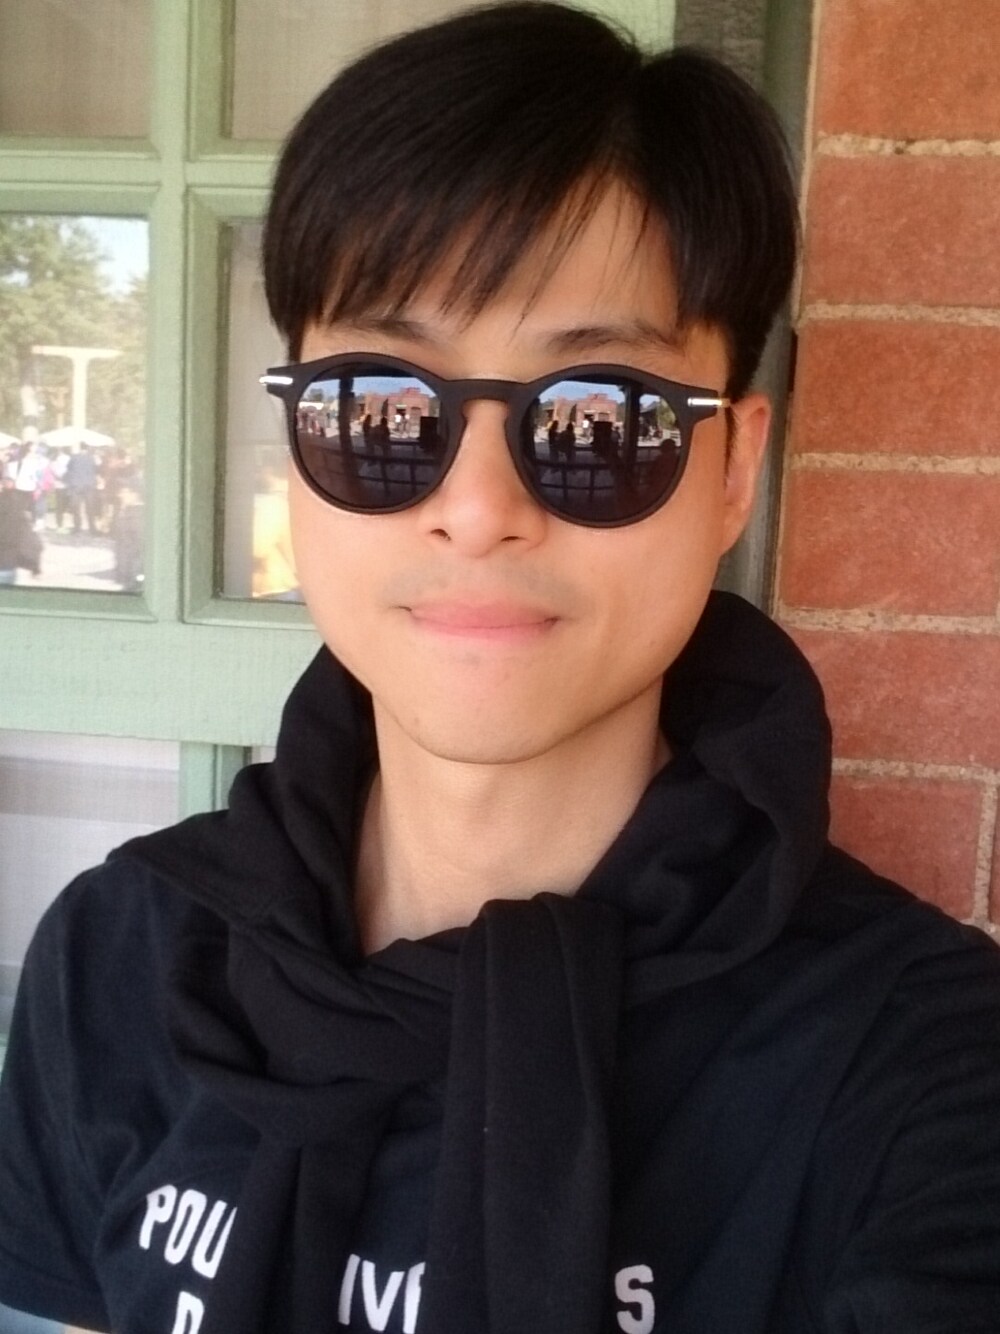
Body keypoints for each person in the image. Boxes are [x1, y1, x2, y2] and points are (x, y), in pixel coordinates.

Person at [1, 6, 999, 1334]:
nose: (477, 510)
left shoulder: (924, 1071)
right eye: (381, 408)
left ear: (733, 471)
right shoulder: (122, 954)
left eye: (601, 418)